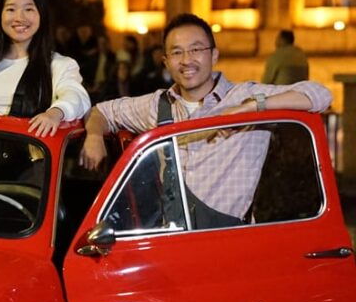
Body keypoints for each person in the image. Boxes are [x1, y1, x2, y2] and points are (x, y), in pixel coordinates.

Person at [81, 13, 331, 228]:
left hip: (226, 242)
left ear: (214, 56)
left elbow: (320, 95)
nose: (187, 60)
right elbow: (102, 111)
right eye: (177, 52)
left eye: (196, 49)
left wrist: (253, 108)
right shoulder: (157, 105)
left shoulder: (242, 96)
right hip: (169, 240)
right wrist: (94, 136)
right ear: (166, 62)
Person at [0, 0, 91, 192]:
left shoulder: (59, 65)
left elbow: (77, 96)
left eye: (29, 9)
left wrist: (54, 113)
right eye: (10, 9)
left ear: (42, 15)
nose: (19, 18)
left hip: (31, 180)